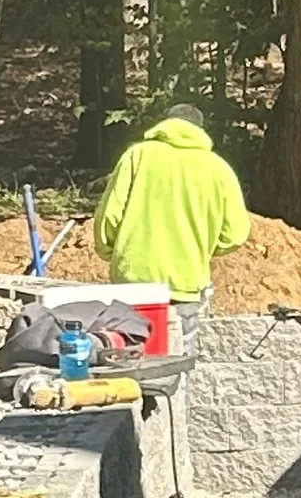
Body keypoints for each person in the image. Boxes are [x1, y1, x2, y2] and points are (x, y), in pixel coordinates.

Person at [91, 104, 250, 350]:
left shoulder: (137, 156)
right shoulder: (219, 169)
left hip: (134, 280)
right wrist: (202, 248)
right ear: (200, 130)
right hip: (185, 285)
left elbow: (110, 216)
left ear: (165, 124)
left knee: (128, 360)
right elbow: (235, 234)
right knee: (177, 365)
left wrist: (110, 251)